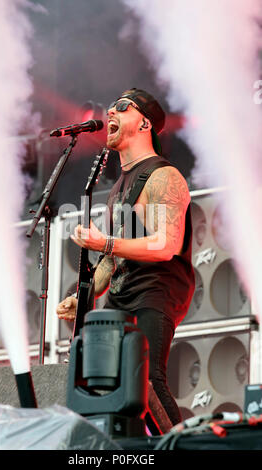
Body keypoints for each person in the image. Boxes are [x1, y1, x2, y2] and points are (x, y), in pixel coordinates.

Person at [56, 88, 195, 426]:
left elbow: (165, 245)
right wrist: (85, 296)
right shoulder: (120, 185)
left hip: (156, 291)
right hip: (123, 293)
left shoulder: (163, 176)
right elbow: (116, 252)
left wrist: (104, 243)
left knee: (149, 379)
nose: (110, 113)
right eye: (110, 108)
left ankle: (181, 444)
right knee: (110, 383)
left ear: (145, 123)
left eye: (121, 107)